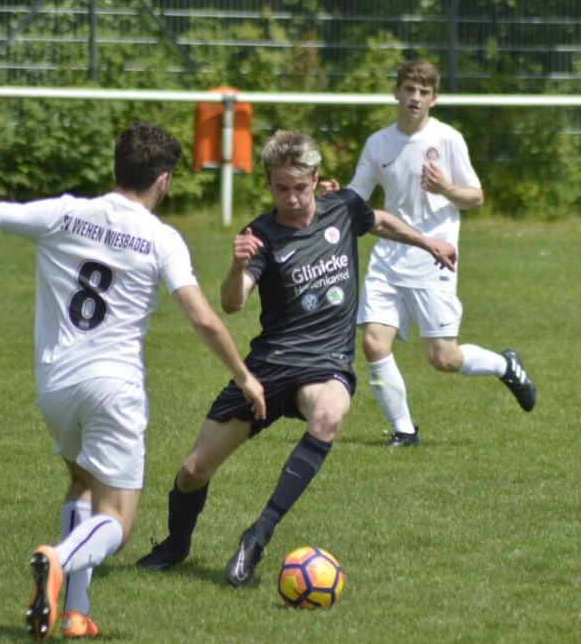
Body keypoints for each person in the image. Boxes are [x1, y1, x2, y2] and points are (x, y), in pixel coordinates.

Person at [0, 122, 266, 643]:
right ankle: (58, 558)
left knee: (82, 481)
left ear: (116, 168)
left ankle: (75, 613)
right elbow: (203, 318)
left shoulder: (63, 212)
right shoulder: (161, 238)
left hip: (55, 387)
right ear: (163, 180)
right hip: (113, 388)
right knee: (118, 520)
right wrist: (244, 376)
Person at [135, 130, 456, 585]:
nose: (291, 198)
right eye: (281, 188)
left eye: (300, 188)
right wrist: (238, 264)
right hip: (268, 367)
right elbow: (232, 303)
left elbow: (379, 220)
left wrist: (428, 242)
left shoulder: (343, 207)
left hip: (325, 363)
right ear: (268, 183)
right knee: (192, 472)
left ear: (316, 180)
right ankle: (176, 544)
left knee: (328, 414)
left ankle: (257, 536)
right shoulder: (259, 235)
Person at [324, 59, 536, 448]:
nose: (415, 98)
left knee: (442, 358)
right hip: (389, 256)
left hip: (435, 258)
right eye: (409, 89)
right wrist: (335, 196)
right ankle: (404, 432)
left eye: (424, 92)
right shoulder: (379, 143)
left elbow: (476, 197)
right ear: (396, 93)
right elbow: (358, 195)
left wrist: (444, 189)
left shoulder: (448, 139)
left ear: (434, 99)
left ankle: (504, 364)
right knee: (373, 343)